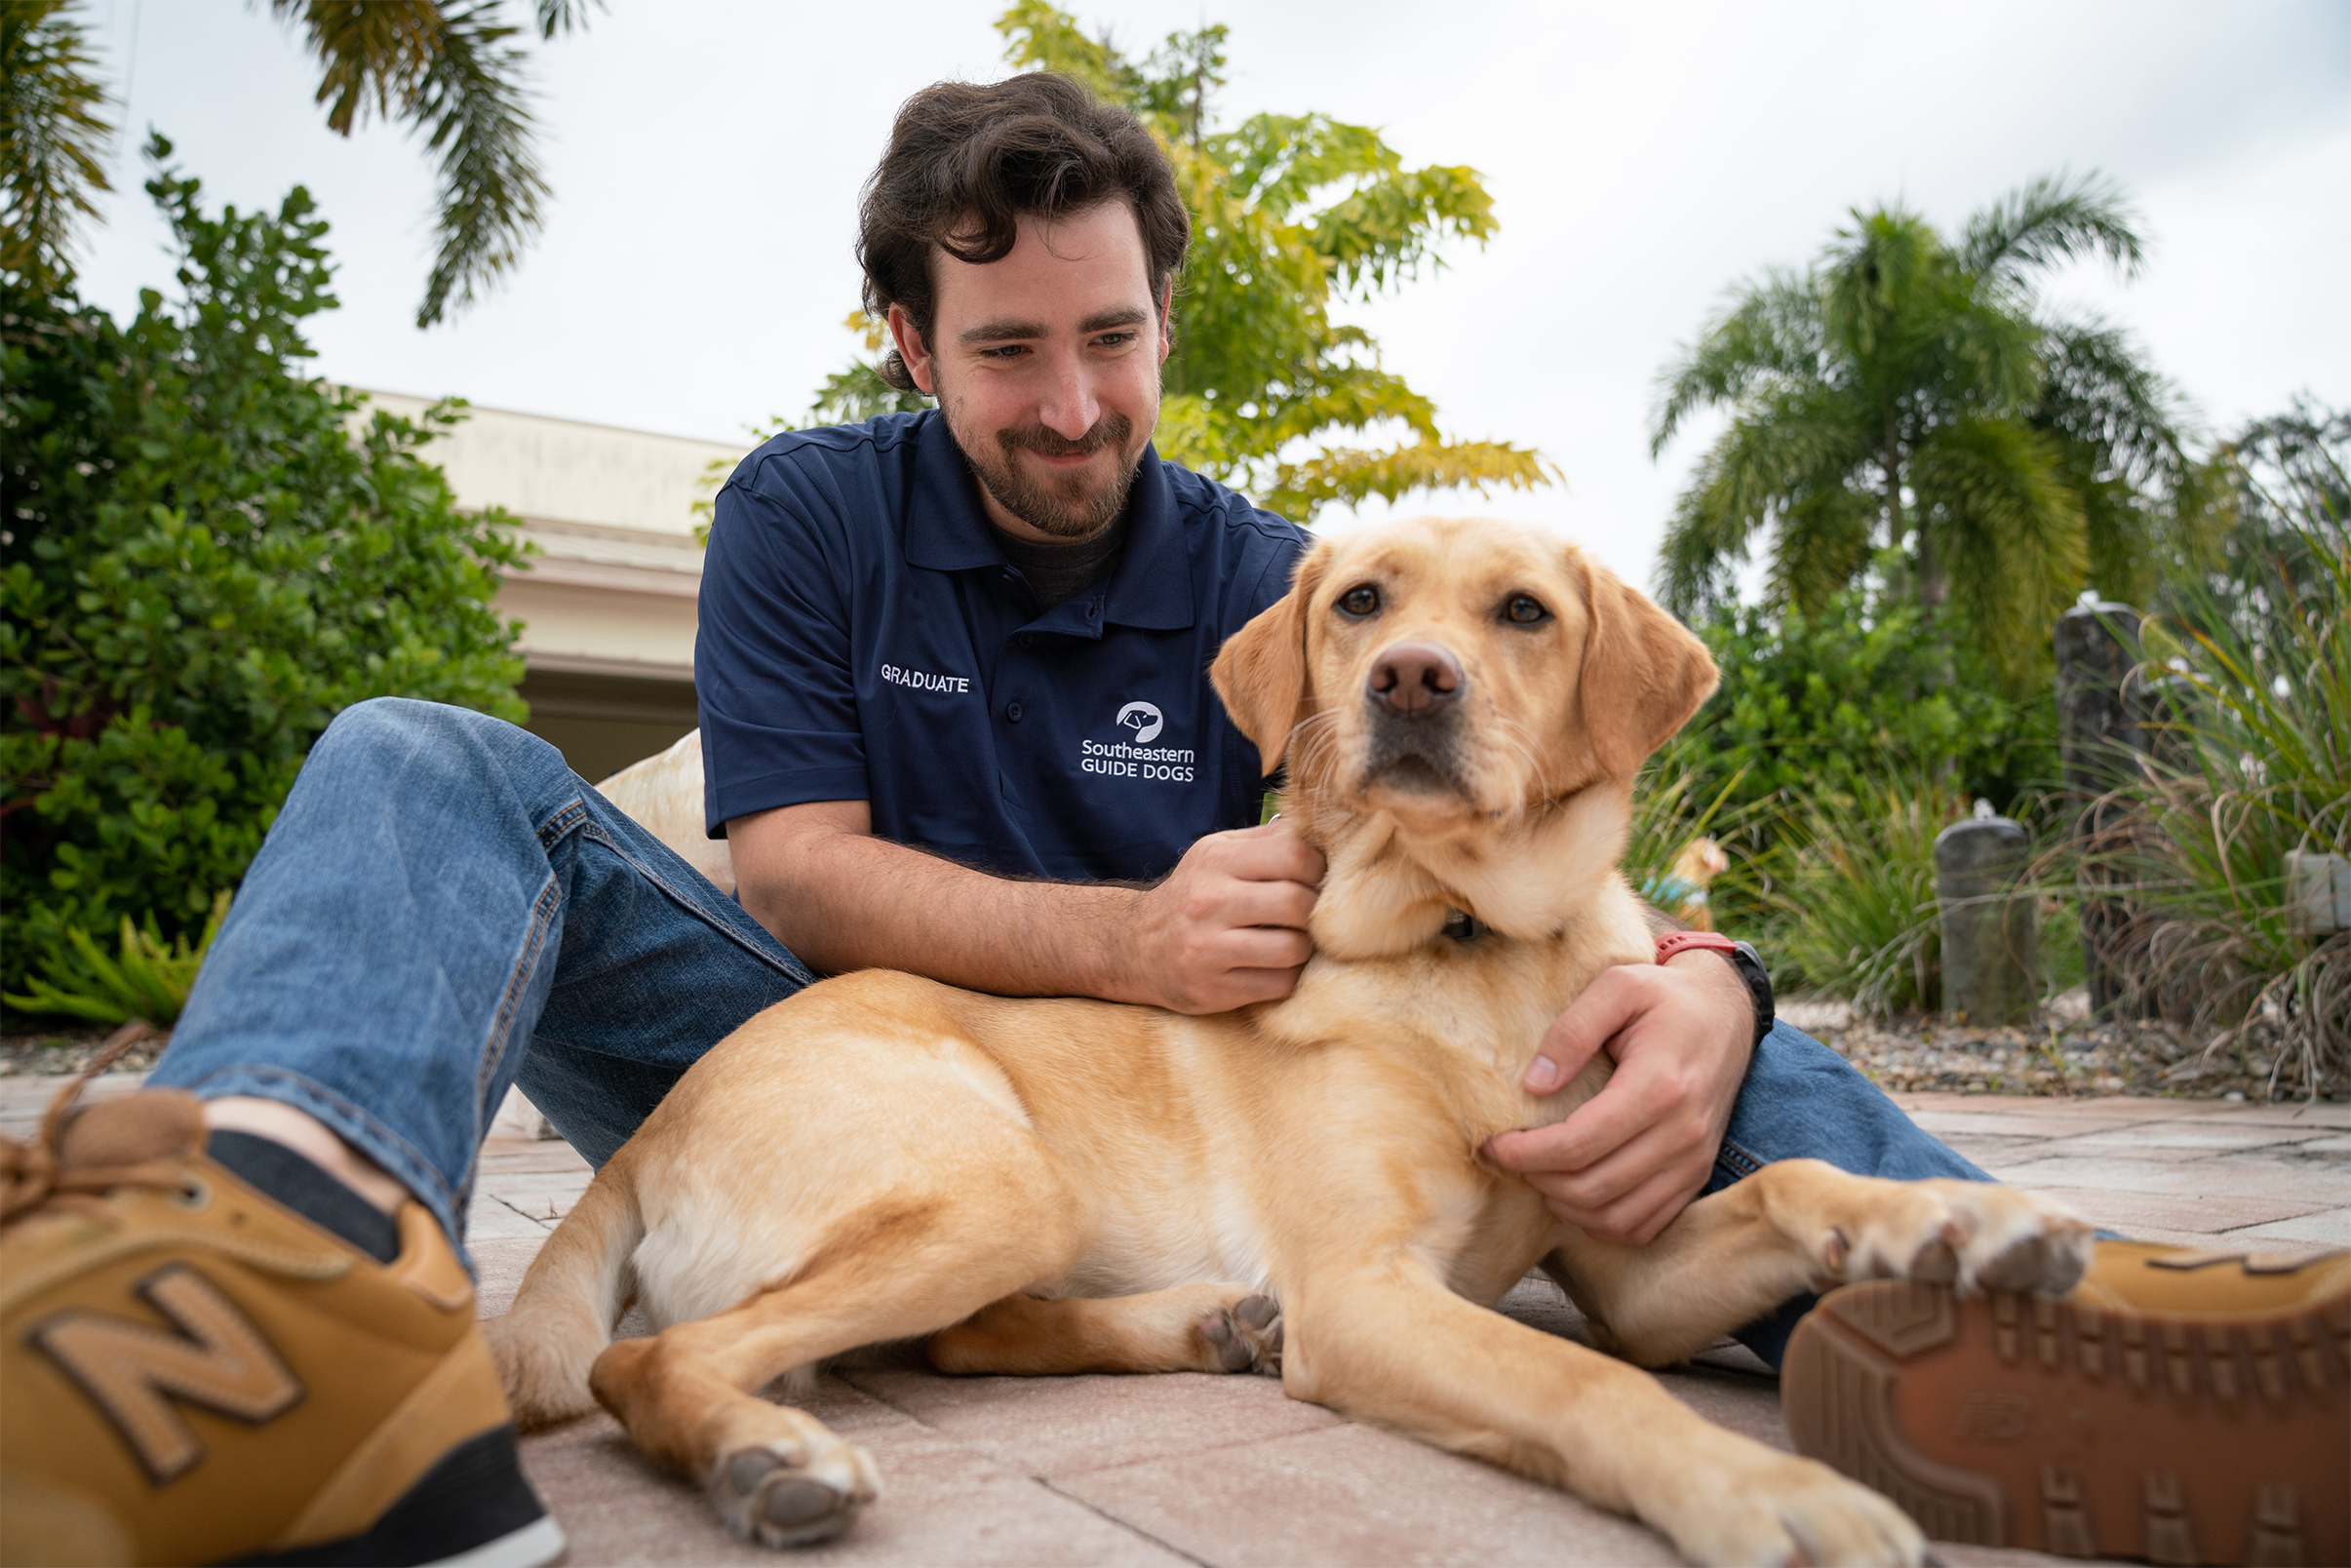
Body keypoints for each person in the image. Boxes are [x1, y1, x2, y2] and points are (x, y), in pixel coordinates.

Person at [3, 71, 2327, 1568]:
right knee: (422, 751)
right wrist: (1122, 943)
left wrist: (1711, 983)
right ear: (912, 345)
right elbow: (793, 866)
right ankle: (264, 1271)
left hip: (1180, 1099)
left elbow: (1497, 830)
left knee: (1636, 1007)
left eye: (1110, 338)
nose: (1070, 396)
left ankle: (2066, 1297)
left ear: (1159, 322)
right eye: (1007, 349)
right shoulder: (816, 514)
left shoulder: (1280, 580)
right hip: (795, 1014)